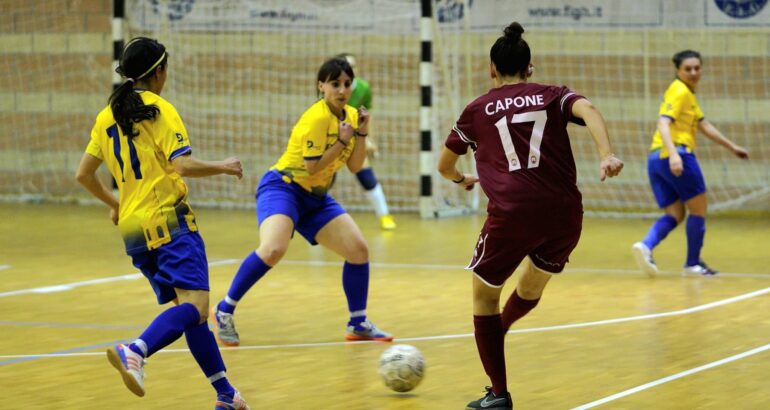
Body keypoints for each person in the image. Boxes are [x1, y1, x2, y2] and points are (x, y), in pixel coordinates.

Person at [437, 22, 624, 410]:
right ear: (530, 68)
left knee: (484, 296)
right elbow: (587, 108)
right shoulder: (551, 94)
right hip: (564, 211)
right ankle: (501, 329)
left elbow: (444, 164)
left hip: (512, 212)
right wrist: (606, 153)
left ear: (492, 69)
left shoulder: (477, 109)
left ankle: (498, 392)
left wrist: (461, 178)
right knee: (532, 286)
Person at [75, 37, 249, 410]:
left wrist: (116, 204)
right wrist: (223, 165)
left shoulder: (107, 116)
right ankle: (135, 350)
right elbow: (182, 165)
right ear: (159, 72)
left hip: (134, 233)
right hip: (169, 222)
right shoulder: (159, 109)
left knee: (189, 313)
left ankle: (226, 395)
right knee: (197, 307)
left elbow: (84, 175)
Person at [211, 57, 393, 347]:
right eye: (335, 84)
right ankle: (224, 309)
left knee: (358, 250)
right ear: (321, 86)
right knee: (273, 248)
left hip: (316, 198)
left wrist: (361, 132)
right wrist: (343, 141)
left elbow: (357, 166)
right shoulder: (316, 118)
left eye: (347, 84)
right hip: (283, 188)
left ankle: (358, 323)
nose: (342, 90)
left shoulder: (350, 117)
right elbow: (312, 167)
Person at [631, 50, 749, 277]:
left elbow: (704, 125)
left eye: (697, 68)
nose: (694, 72)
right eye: (688, 69)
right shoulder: (680, 91)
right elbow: (663, 123)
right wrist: (675, 155)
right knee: (699, 210)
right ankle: (693, 264)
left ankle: (645, 246)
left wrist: (731, 147)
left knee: (675, 213)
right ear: (678, 71)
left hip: (655, 159)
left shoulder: (687, 95)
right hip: (678, 156)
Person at [334, 53, 397, 230]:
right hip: (332, 137)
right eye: (345, 65)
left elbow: (368, 116)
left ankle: (384, 215)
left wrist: (369, 138)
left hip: (352, 136)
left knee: (365, 173)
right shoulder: (331, 88)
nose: (349, 69)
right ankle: (311, 218)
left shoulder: (362, 88)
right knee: (324, 178)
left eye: (353, 66)